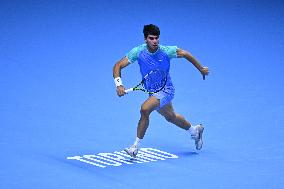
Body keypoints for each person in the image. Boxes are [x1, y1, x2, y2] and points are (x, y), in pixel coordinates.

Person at [113, 24, 209, 158]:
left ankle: (135, 147)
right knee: (171, 117)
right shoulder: (138, 52)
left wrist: (201, 69)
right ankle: (195, 130)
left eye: (157, 38)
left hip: (166, 89)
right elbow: (118, 65)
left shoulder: (166, 51)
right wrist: (119, 85)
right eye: (151, 38)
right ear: (145, 39)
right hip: (152, 91)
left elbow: (185, 54)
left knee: (144, 109)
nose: (155, 41)